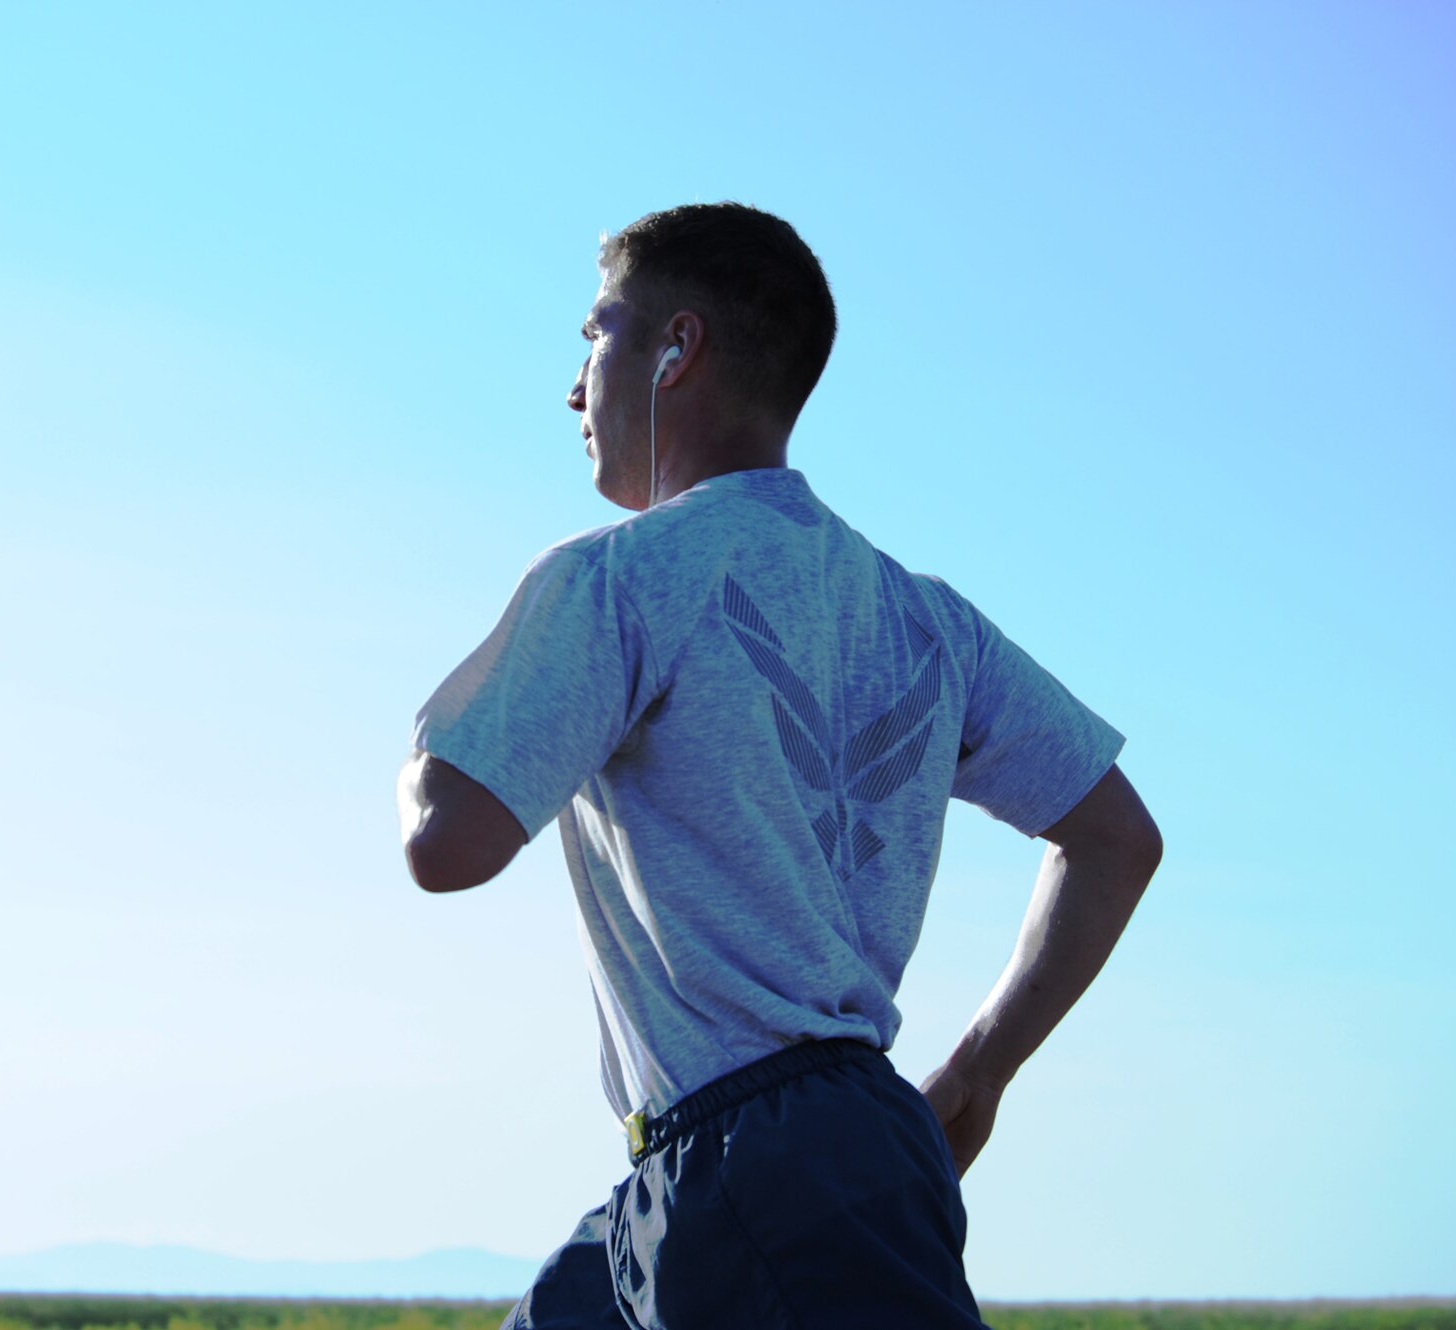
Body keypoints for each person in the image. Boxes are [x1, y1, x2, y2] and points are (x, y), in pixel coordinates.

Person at [396, 203, 1163, 1330]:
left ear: (676, 348)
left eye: (593, 335)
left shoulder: (618, 580)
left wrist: (441, 727)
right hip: (747, 1164)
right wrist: (972, 1079)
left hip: (757, 1167)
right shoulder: (923, 618)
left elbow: (444, 842)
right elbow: (1115, 837)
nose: (573, 386)